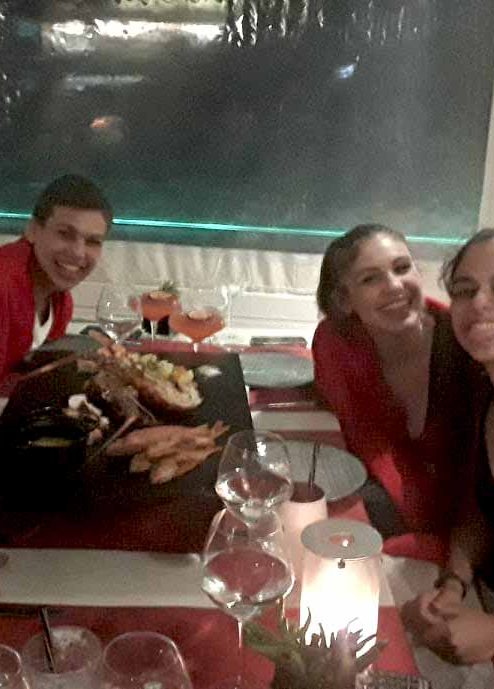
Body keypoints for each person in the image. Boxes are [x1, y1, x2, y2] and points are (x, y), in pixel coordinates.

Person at [312, 224, 475, 538]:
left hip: (465, 520)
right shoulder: (335, 343)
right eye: (370, 279)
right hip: (398, 502)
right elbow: (362, 437)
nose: (395, 286)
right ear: (344, 300)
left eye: (402, 268)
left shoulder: (464, 345)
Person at [402, 228, 494, 665]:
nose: (479, 302)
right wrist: (453, 585)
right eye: (464, 290)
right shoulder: (484, 393)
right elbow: (481, 513)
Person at [0, 174, 112, 381]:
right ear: (32, 230)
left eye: (93, 241)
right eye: (65, 234)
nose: (78, 252)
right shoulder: (3, 283)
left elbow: (31, 375)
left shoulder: (60, 301)